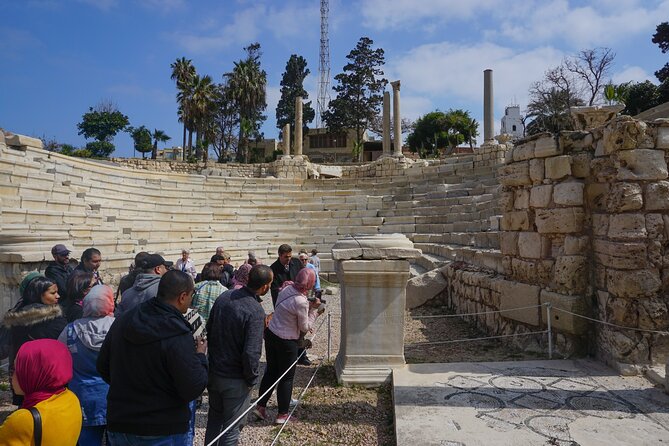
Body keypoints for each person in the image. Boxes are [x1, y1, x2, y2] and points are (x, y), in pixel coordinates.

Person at [97, 270, 208, 444]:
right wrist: (201, 357)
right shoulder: (177, 332)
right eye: (190, 296)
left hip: (121, 422)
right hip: (161, 428)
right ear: (182, 296)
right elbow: (192, 387)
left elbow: (103, 366)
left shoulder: (124, 319)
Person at [204, 265, 273, 446]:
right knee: (232, 428)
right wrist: (252, 378)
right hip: (235, 379)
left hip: (215, 372)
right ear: (265, 286)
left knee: (215, 420)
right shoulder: (255, 310)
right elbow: (251, 352)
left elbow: (209, 331)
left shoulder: (224, 297)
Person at [255, 268, 321, 425]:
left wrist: (308, 306)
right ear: (310, 283)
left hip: (272, 334)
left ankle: (260, 407)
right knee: (286, 377)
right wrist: (314, 311)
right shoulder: (301, 301)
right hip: (286, 340)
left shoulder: (287, 288)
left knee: (271, 371)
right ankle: (282, 414)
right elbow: (304, 327)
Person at [58, 285, 115, 446]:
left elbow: (59, 360)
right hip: (115, 395)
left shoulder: (70, 330)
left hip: (82, 397)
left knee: (86, 440)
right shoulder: (119, 327)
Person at [0, 339, 82, 445]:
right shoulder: (70, 398)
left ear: (33, 374)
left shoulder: (23, 420)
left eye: (16, 369)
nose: (11, 376)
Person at [5, 276, 68, 405]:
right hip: (44, 371)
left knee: (26, 404)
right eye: (53, 293)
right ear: (39, 294)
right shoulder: (52, 319)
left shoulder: (17, 314)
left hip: (21, 369)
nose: (58, 296)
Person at [270, 244, 309, 365]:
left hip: (298, 300)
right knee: (289, 330)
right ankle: (289, 355)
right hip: (285, 305)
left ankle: (302, 354)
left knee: (301, 329)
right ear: (280, 255)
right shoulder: (274, 269)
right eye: (286, 257)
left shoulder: (296, 263)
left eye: (290, 256)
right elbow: (275, 289)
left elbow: (304, 277)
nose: (288, 259)